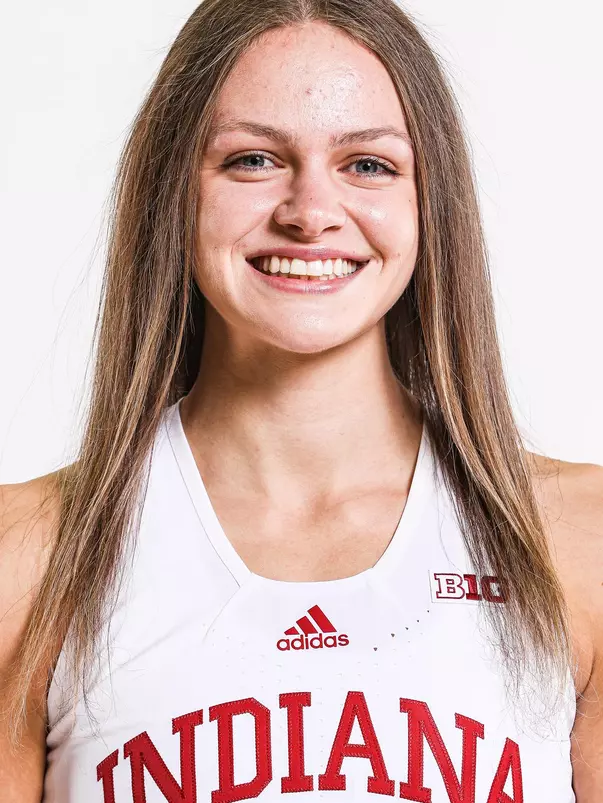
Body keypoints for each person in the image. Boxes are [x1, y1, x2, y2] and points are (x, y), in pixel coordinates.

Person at [1, 0, 601, 800]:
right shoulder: (28, 558)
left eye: (367, 165)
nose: (310, 214)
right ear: (175, 193)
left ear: (431, 203)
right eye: (252, 160)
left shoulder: (577, 544)